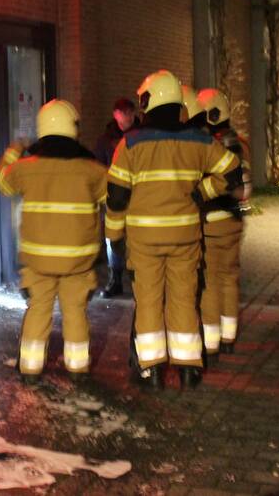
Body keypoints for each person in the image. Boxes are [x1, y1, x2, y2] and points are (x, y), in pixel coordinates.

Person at [105, 70, 242, 390]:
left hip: (144, 240)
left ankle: (151, 370)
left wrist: (114, 237)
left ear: (149, 101)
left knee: (150, 300)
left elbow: (117, 196)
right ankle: (189, 367)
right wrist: (201, 193)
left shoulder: (131, 143)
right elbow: (232, 172)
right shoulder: (199, 139)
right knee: (183, 298)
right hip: (186, 237)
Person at [0, 99, 107, 384]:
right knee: (75, 312)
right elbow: (112, 196)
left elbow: (1, 182)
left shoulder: (27, 167)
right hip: (78, 260)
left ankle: (30, 369)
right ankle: (78, 368)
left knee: (38, 310)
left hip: (38, 260)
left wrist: (13, 150)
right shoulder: (92, 168)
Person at [189, 88, 250, 361]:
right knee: (229, 278)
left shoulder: (209, 145)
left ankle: (211, 343)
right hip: (234, 221)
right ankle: (228, 336)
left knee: (210, 282)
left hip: (211, 222)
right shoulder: (239, 142)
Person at [93, 98, 140, 297]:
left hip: (137, 198)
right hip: (113, 198)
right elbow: (97, 168)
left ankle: (139, 279)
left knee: (137, 240)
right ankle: (116, 278)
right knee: (113, 240)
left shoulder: (142, 136)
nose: (127, 116)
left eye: (129, 112)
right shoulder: (105, 140)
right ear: (116, 114)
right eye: (123, 112)